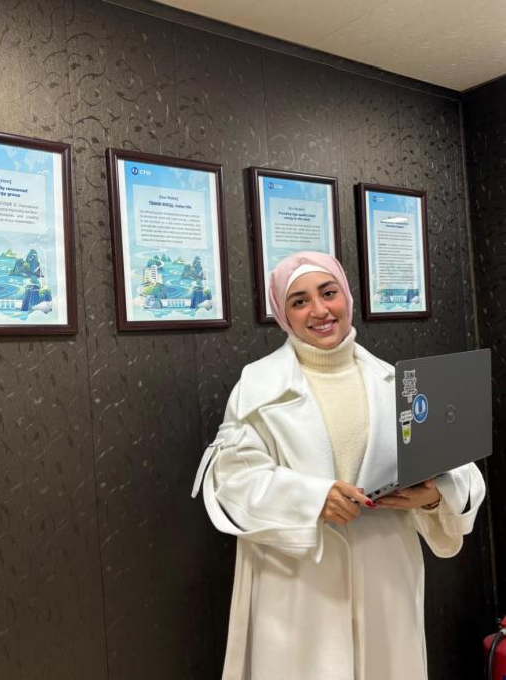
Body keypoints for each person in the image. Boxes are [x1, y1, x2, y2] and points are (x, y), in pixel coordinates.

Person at [192, 251, 485, 680]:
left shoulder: (397, 382)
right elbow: (233, 480)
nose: (319, 310)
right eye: (299, 301)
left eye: (328, 293)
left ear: (346, 296)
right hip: (300, 587)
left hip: (386, 578)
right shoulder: (259, 386)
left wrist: (432, 496)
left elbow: (458, 466)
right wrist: (312, 498)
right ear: (283, 315)